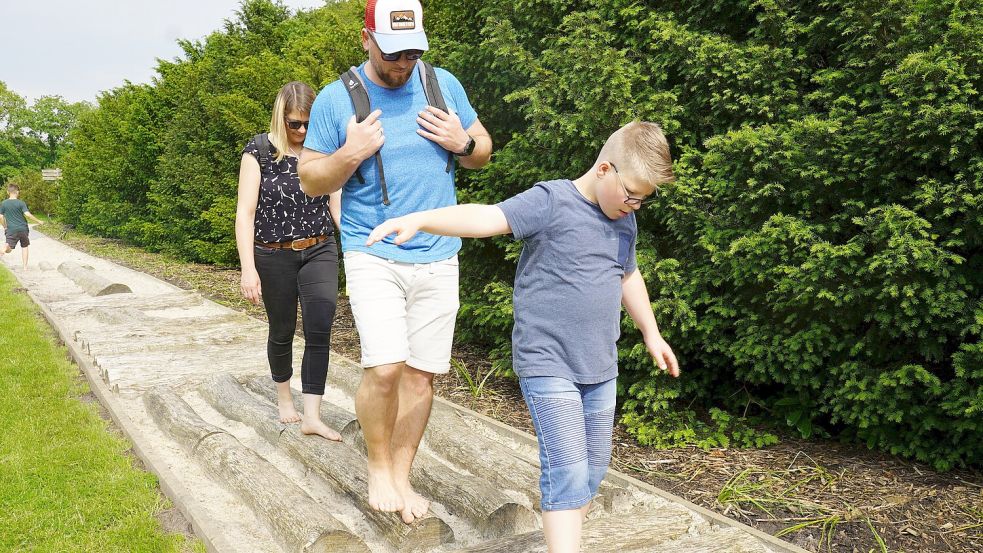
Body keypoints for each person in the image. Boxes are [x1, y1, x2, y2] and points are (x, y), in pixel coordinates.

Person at [367, 121, 681, 552]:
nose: (634, 207)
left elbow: (627, 274)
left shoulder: (623, 222)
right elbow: (485, 216)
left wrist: (652, 333)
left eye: (643, 201)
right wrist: (422, 220)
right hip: (548, 362)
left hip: (600, 367)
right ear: (605, 169)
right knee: (567, 470)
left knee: (592, 469)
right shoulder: (552, 201)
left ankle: (564, 534)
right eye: (631, 196)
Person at [298, 0, 492, 523]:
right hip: (371, 249)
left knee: (422, 375)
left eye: (411, 51)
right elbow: (311, 178)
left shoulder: (441, 83)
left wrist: (465, 141)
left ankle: (402, 476)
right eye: (391, 52)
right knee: (385, 367)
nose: (402, 63)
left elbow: (483, 150)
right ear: (366, 39)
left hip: (439, 251)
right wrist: (349, 154)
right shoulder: (338, 100)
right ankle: (378, 467)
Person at [234, 81, 342, 441]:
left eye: (308, 123)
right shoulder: (259, 151)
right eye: (294, 123)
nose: (302, 131)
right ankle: (284, 398)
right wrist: (248, 269)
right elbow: (245, 213)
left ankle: (312, 414)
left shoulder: (324, 151)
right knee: (281, 330)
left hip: (320, 247)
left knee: (320, 324)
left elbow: (336, 206)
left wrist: (361, 251)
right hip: (273, 253)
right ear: (281, 119)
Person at [0, 184, 44, 270]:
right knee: (24, 246)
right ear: (17, 192)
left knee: (9, 249)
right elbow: (27, 214)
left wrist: (5, 226)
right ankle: (25, 267)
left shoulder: (4, 203)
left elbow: (0, 217)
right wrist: (39, 221)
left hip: (11, 229)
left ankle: (5, 248)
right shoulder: (21, 203)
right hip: (23, 229)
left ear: (7, 192)